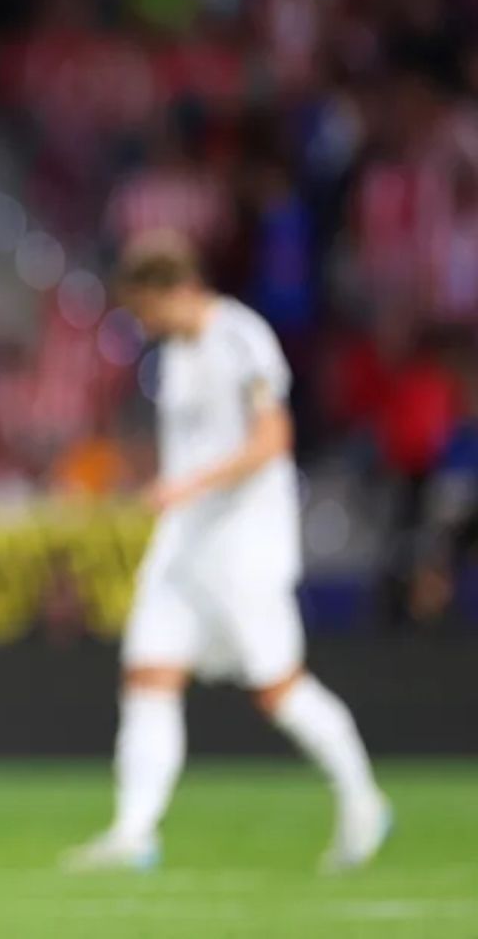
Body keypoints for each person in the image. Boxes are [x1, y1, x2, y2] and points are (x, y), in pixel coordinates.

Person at [64, 231, 390, 873]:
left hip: (244, 542)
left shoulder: (241, 338)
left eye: (145, 308)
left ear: (174, 289)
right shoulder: (175, 356)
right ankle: (134, 832)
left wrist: (187, 484)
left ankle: (362, 798)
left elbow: (272, 440)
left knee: (277, 687)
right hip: (185, 543)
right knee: (149, 674)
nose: (143, 323)